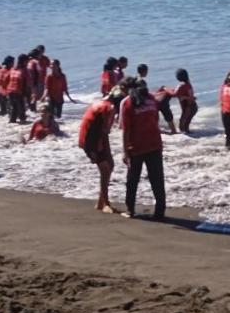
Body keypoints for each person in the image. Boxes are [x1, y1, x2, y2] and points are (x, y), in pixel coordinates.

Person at [121, 78, 166, 219]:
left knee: (132, 180)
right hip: (154, 144)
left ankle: (130, 210)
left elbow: (125, 130)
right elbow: (156, 120)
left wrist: (125, 151)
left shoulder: (128, 103)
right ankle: (160, 212)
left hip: (137, 147)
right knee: (157, 179)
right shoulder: (152, 100)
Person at [79, 86, 125, 213]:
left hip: (91, 138)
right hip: (92, 141)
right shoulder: (109, 108)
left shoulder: (101, 102)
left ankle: (101, 201)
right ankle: (106, 203)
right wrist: (98, 148)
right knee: (105, 169)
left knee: (110, 165)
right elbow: (105, 130)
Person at [174, 69, 198, 135]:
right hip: (193, 107)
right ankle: (191, 136)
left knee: (182, 127)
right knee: (185, 125)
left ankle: (188, 139)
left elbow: (174, 94)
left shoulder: (181, 85)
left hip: (188, 107)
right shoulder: (188, 84)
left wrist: (165, 89)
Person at [8, 54, 29, 124]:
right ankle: (22, 122)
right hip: (18, 91)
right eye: (27, 61)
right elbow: (27, 82)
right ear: (24, 61)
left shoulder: (13, 68)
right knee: (22, 109)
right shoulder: (24, 70)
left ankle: (12, 121)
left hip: (10, 90)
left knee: (14, 108)